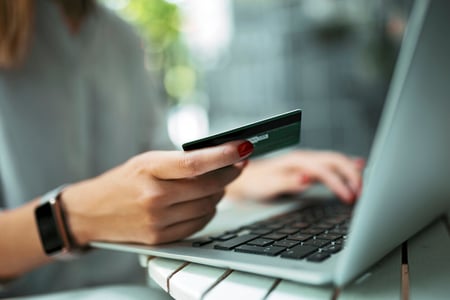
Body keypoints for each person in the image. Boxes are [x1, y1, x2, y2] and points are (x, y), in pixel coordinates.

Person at [0, 0, 363, 298]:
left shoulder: (119, 37)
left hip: (149, 285)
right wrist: (72, 219)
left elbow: (152, 174)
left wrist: (246, 178)